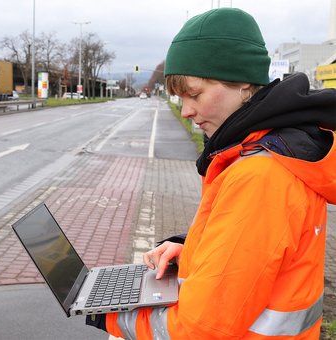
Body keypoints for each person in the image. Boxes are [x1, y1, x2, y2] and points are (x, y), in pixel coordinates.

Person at [86, 7, 336, 339]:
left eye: (195, 94)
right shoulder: (275, 149)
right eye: (180, 98)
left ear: (243, 80)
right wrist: (189, 250)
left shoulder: (261, 176)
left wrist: (109, 318)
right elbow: (258, 255)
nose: (187, 110)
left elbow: (200, 330)